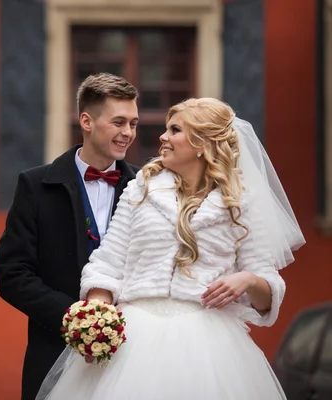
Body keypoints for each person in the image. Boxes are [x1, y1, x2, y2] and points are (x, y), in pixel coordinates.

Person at [36, 97, 306, 400]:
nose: (162, 137)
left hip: (210, 347)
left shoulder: (240, 201)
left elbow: (266, 287)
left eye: (174, 130)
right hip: (131, 338)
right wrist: (96, 318)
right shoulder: (141, 187)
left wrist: (248, 280)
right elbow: (108, 262)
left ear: (202, 143)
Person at [0, 73, 140, 400]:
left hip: (134, 352)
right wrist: (77, 319)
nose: (127, 133)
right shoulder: (35, 185)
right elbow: (10, 272)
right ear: (86, 121)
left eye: (133, 123)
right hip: (53, 351)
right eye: (118, 122)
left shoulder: (148, 188)